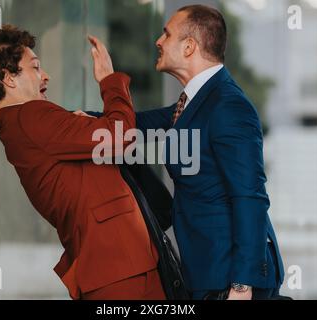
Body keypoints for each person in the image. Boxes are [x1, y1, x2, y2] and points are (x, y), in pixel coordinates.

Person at [0, 24, 166, 300]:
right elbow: (121, 135)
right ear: (8, 78)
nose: (45, 75)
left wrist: (88, 126)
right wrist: (108, 79)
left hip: (113, 267)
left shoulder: (16, 126)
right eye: (35, 67)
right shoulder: (31, 116)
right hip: (120, 268)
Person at [100, 5, 286, 300]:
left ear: (189, 47)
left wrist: (242, 285)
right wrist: (67, 119)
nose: (158, 41)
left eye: (166, 34)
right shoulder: (192, 103)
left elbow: (250, 197)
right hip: (206, 270)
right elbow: (134, 126)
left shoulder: (228, 105)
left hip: (229, 278)